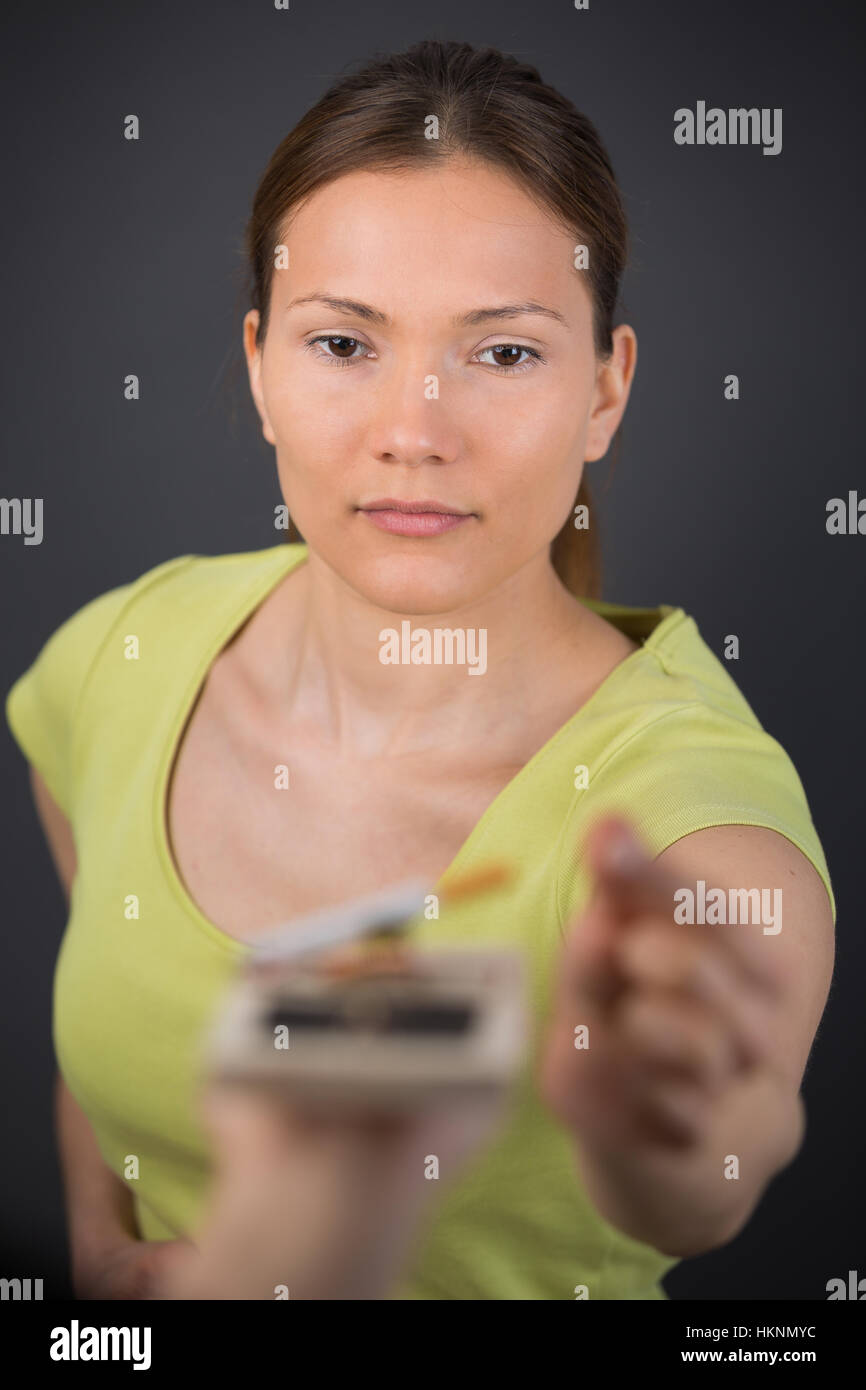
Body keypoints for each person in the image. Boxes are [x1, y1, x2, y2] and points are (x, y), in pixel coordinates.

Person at [6, 38, 835, 1301]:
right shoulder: (118, 655)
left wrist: (675, 1130)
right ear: (258, 366)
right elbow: (106, 1039)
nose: (412, 433)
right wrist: (104, 1261)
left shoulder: (695, 822)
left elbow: (717, 1152)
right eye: (344, 345)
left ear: (603, 393)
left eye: (502, 353)